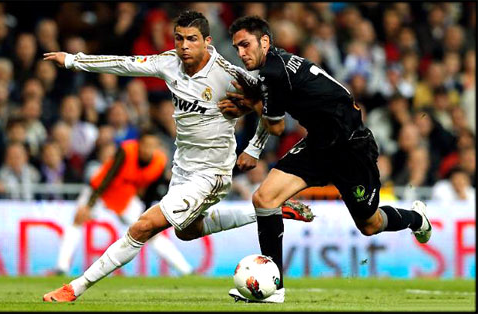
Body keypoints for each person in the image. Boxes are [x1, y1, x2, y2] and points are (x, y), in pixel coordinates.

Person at [42, 11, 313, 303]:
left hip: (212, 172)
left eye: (192, 39)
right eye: (180, 38)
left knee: (143, 226)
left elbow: (271, 109)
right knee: (187, 231)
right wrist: (73, 60)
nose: (184, 46)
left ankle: (76, 287)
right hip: (182, 167)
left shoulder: (230, 75)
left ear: (207, 42)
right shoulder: (169, 62)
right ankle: (269, 211)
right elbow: (125, 63)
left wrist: (254, 148)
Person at [225, 16, 433, 303]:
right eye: (237, 47)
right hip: (319, 145)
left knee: (370, 225)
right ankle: (275, 287)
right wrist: (256, 118)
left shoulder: (274, 73)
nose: (241, 53)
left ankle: (416, 218)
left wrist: (254, 108)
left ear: (264, 41)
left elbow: (276, 126)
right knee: (264, 199)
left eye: (245, 45)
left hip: (351, 149)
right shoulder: (276, 65)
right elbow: (273, 110)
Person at [49, 129, 193, 276]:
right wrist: (90, 204)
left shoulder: (159, 162)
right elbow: (108, 176)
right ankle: (62, 267)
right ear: (139, 144)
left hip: (124, 196)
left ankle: (185, 270)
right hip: (100, 191)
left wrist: (145, 210)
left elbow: (151, 190)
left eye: (152, 146)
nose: (148, 150)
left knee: (150, 230)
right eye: (146, 145)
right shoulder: (126, 151)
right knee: (78, 219)